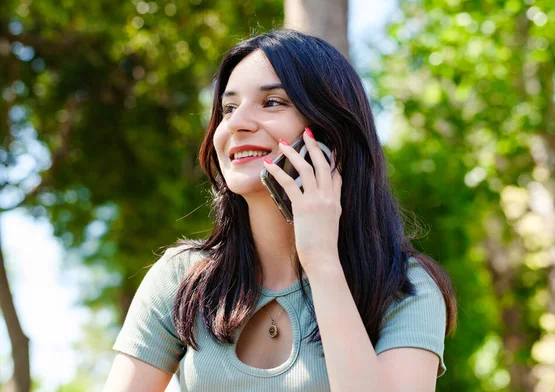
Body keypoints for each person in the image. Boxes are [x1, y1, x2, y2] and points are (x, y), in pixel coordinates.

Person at [103, 29, 457, 392]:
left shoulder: (404, 289)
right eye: (228, 108)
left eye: (272, 102)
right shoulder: (181, 279)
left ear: (329, 133)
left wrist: (321, 262)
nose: (237, 124)